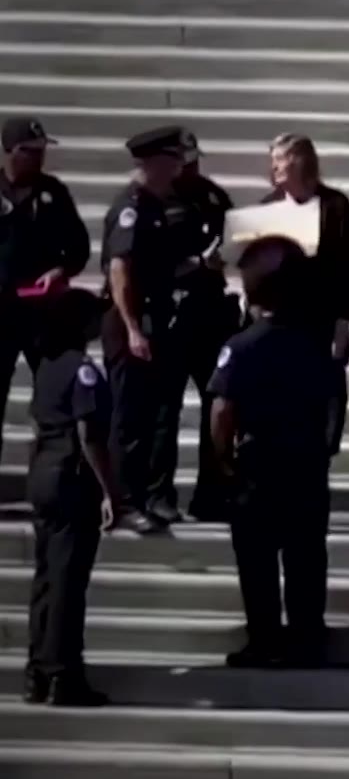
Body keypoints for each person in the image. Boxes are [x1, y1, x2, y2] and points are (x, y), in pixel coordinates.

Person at [207, 236, 339, 668]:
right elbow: (336, 400)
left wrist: (223, 460)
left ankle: (264, 639)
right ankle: (306, 638)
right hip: (305, 460)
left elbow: (222, 410)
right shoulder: (315, 345)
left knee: (257, 558)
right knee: (305, 555)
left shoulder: (241, 346)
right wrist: (324, 449)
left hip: (258, 463)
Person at [25, 287, 117, 706]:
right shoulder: (83, 369)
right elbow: (88, 434)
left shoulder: (45, 366)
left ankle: (38, 670)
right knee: (67, 581)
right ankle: (63, 674)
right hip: (70, 475)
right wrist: (109, 489)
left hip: (43, 471)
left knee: (46, 577)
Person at [100, 125, 192, 535]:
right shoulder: (131, 207)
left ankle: (145, 497)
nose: (178, 169)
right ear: (154, 162)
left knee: (152, 415)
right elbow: (120, 268)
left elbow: (157, 266)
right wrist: (133, 327)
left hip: (155, 319)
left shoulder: (155, 204)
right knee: (129, 419)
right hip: (129, 324)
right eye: (173, 161)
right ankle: (124, 501)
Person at [0, 116, 91, 465]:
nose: (38, 159)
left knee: (53, 399)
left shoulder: (53, 192)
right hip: (2, 312)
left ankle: (51, 478)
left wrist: (60, 270)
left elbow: (79, 248)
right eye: (29, 152)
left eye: (41, 152)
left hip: (43, 315)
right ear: (10, 151)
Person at [263, 133, 349, 456]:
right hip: (279, 322)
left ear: (300, 162)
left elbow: (347, 267)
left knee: (323, 401)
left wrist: (343, 323)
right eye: (273, 159)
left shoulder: (335, 205)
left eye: (280, 159)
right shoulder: (267, 207)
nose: (273, 166)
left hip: (321, 322)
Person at [173, 128, 239, 523]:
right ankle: (153, 492)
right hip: (170, 313)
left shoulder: (212, 196)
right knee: (163, 410)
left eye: (195, 159)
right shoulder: (154, 200)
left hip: (211, 310)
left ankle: (211, 493)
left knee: (217, 402)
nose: (192, 167)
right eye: (185, 161)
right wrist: (198, 262)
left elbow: (234, 236)